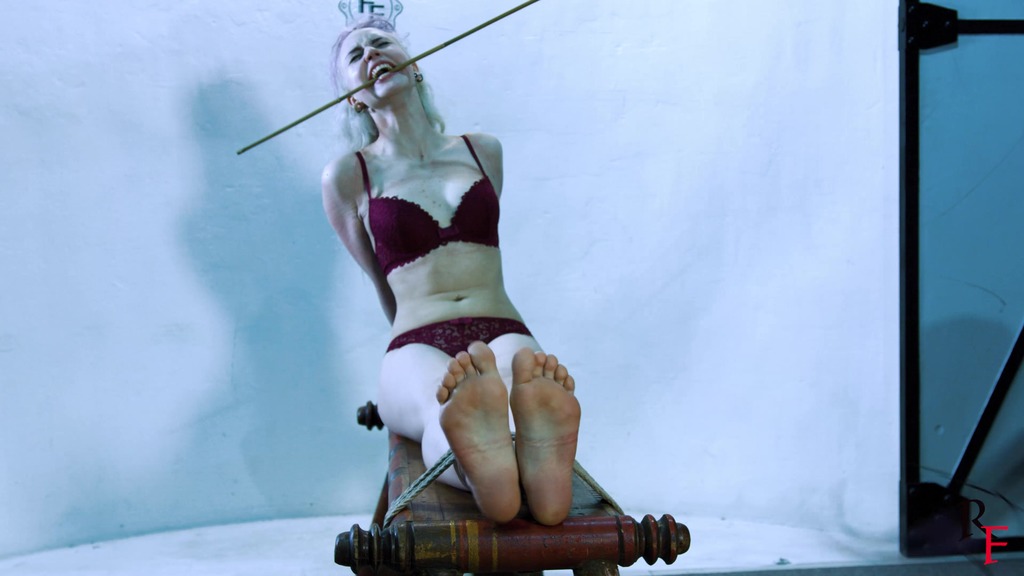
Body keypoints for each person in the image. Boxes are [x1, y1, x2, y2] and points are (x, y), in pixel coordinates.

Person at [321, 18, 581, 526]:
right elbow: (380, 280)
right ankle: (492, 470)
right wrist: (401, 350)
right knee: (438, 400)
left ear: (414, 64)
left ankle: (532, 462)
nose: (372, 53)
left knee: (516, 384)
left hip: (500, 325)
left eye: (382, 43)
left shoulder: (482, 150)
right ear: (353, 98)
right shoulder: (349, 176)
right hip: (417, 337)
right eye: (356, 55)